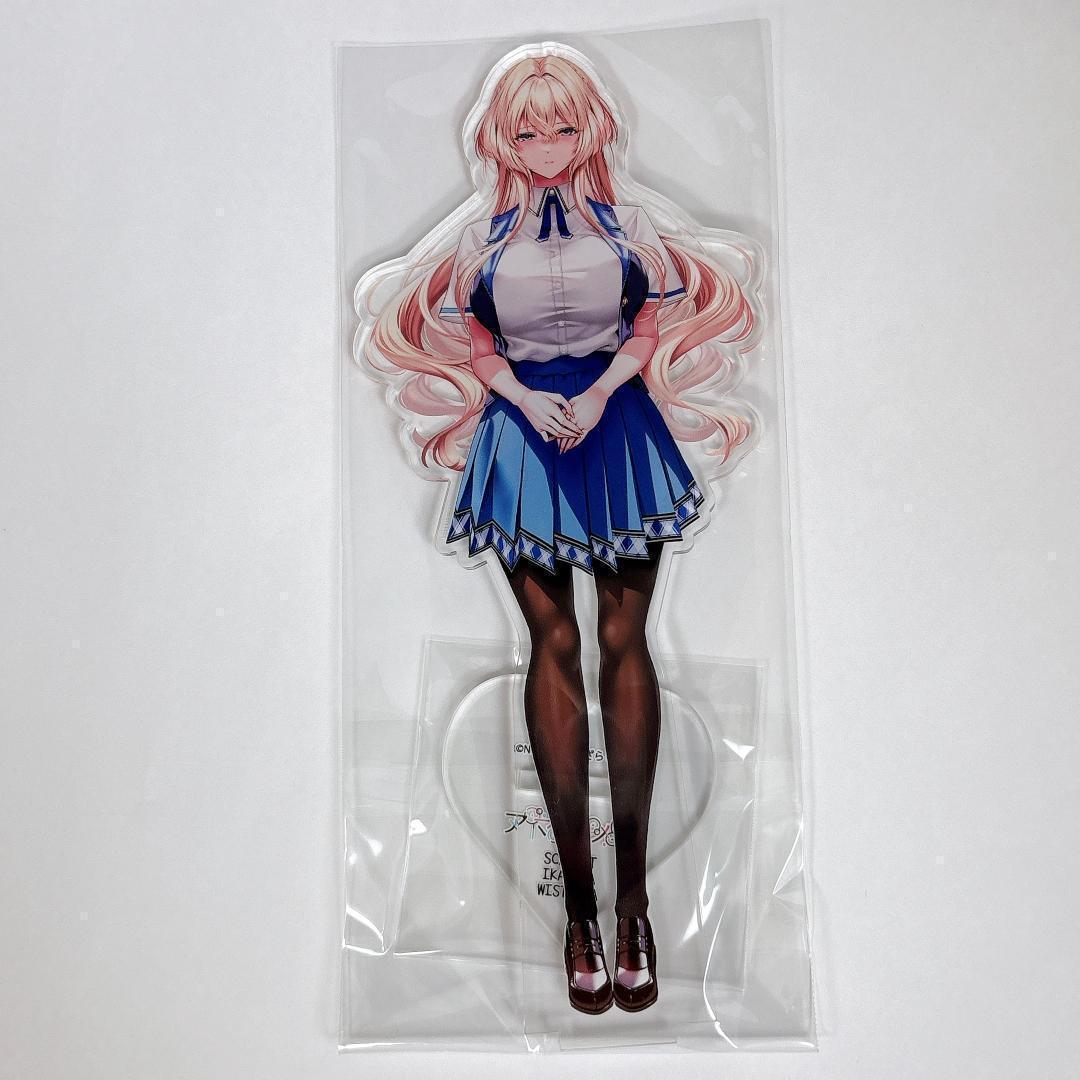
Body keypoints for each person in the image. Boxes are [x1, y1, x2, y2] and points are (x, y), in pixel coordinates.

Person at [361, 47, 757, 1015]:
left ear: (592, 129)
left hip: (616, 429)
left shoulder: (632, 227)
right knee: (552, 642)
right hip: (522, 437)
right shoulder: (479, 240)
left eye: (563, 127)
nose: (545, 145)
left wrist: (608, 388)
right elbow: (474, 340)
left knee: (625, 639)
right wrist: (523, 399)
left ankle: (635, 909)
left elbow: (650, 324)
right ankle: (580, 914)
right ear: (501, 138)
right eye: (527, 130)